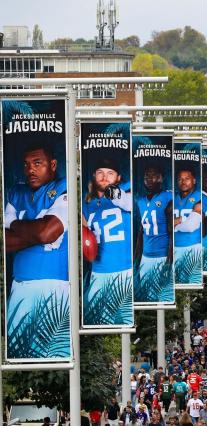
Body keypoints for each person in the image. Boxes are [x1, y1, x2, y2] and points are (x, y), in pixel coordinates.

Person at [4, 143, 69, 358]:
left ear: (53, 164)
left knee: (54, 353)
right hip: (19, 284)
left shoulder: (64, 187)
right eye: (26, 164)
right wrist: (36, 229)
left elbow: (47, 233)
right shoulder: (16, 191)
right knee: (19, 355)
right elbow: (4, 241)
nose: (30, 169)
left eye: (37, 163)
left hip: (54, 284)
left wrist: (16, 225)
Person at [82, 158, 133, 326]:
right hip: (98, 273)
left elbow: (129, 203)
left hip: (124, 272)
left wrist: (114, 193)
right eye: (100, 173)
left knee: (125, 321)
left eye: (110, 173)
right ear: (93, 176)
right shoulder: (85, 204)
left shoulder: (126, 192)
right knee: (100, 325)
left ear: (118, 177)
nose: (104, 177)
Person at [134, 165, 173, 302]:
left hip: (162, 256)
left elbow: (172, 233)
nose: (149, 179)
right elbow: (141, 232)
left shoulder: (168, 197)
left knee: (164, 298)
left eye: (153, 176)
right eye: (146, 177)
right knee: (148, 300)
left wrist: (168, 263)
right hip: (146, 259)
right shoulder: (140, 201)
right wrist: (136, 260)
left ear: (161, 178)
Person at [173, 167, 203, 284]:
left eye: (187, 179)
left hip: (192, 247)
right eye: (180, 179)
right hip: (174, 248)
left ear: (194, 180)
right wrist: (178, 221)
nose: (183, 182)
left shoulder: (199, 197)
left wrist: (174, 224)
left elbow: (190, 226)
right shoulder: (173, 197)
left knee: (192, 282)